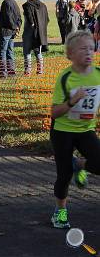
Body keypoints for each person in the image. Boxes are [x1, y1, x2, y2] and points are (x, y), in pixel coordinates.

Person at [50, 30, 100, 229]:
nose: (89, 52)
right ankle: (60, 212)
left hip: (86, 130)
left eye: (91, 48)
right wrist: (72, 101)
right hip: (62, 131)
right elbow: (54, 113)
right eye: (82, 49)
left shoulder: (98, 75)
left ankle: (79, 164)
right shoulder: (65, 78)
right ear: (70, 54)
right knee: (64, 176)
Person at [22, 0, 49, 76]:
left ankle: (28, 71)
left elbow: (30, 20)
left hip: (29, 32)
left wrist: (32, 24)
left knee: (27, 52)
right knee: (38, 51)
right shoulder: (43, 5)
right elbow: (47, 20)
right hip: (40, 33)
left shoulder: (27, 5)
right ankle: (40, 70)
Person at [0, 0, 22, 78]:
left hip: (5, 31)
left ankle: (3, 73)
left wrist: (14, 27)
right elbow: (19, 17)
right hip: (12, 32)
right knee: (10, 52)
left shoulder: (6, 3)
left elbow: (8, 17)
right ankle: (11, 71)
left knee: (2, 52)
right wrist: (17, 27)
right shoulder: (14, 3)